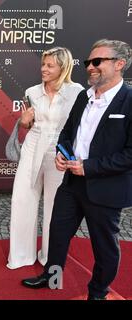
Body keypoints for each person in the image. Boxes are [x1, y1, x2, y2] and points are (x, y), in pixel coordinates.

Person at [21, 39, 132, 300]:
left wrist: (89, 167)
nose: (90, 67)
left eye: (97, 62)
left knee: (104, 247)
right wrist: (63, 153)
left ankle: (97, 292)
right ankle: (52, 275)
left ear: (119, 64)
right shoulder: (84, 96)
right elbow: (68, 132)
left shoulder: (129, 101)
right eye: (88, 63)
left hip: (105, 188)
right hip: (71, 182)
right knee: (57, 233)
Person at [7, 47, 84, 269]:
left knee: (55, 205)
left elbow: (79, 126)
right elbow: (27, 125)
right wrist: (23, 121)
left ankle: (50, 257)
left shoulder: (77, 92)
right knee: (22, 199)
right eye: (43, 64)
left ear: (63, 67)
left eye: (50, 65)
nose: (44, 69)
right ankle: (20, 256)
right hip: (33, 144)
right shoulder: (31, 91)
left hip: (59, 150)